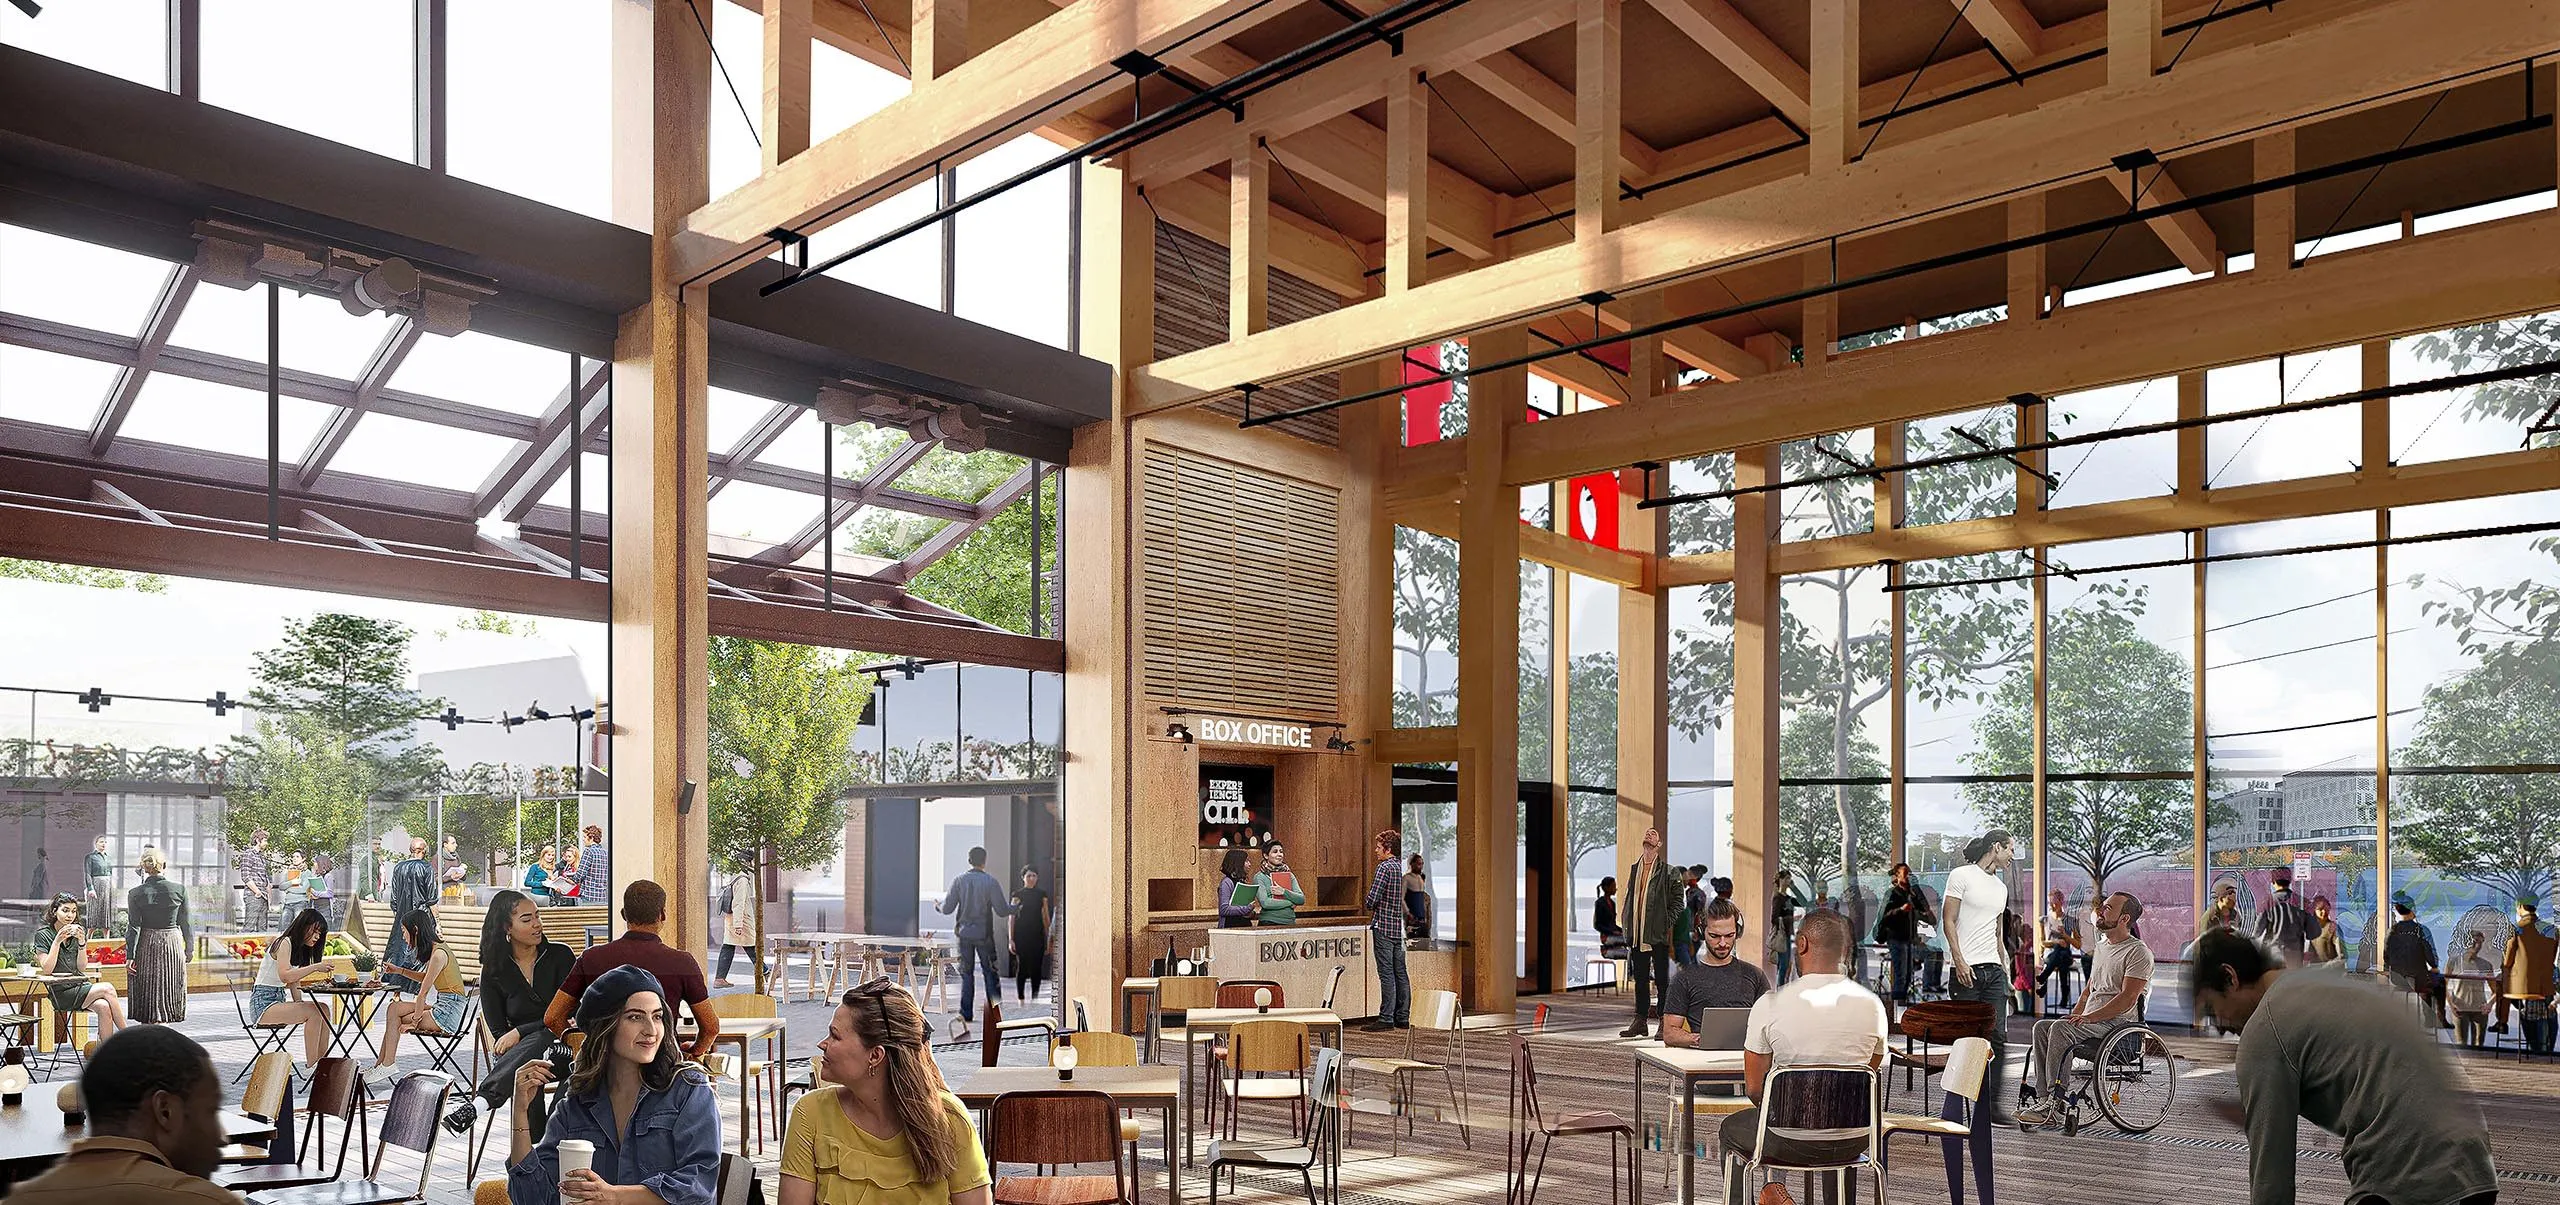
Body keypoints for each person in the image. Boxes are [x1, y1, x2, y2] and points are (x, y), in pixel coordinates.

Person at [2189, 928, 2498, 1205]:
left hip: (2405, 1170)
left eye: (2211, 1009)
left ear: (2230, 977)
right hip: (2475, 1163)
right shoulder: (2328, 979)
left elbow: (2272, 1172)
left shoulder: (2264, 1029)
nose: (2219, 1026)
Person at [508, 965, 722, 1205]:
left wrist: (613, 1196)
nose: (651, 1030)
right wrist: (519, 1112)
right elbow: (534, 1199)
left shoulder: (688, 1090)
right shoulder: (576, 1106)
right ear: (605, 1027)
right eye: (635, 1017)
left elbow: (699, 1185)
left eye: (657, 1016)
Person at [1717, 909, 1887, 1205]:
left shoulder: (1770, 1005)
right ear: (1846, 951)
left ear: (1803, 944)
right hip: (1856, 1138)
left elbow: (1755, 1089)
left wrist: (1792, 1112)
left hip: (1788, 1139)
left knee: (1730, 1130)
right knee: (1838, 1122)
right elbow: (1865, 1078)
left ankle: (1765, 1195)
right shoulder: (1873, 1007)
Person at [778, 979, 993, 1205]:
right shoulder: (810, 1113)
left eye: (835, 1036)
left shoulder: (949, 1118)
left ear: (875, 1056)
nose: (823, 1044)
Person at [5, 1026, 234, 1205]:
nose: (222, 1137)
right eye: (210, 1111)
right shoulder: (209, 1201)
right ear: (165, 1110)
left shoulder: (19, 1200)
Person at [2016, 891, 2153, 1128]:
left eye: (2108, 908)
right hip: (2093, 1023)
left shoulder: (2138, 952)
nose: (2101, 911)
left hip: (2118, 1028)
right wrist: (2077, 1013)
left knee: (2060, 1029)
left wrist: (2088, 1018)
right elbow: (2090, 989)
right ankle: (2043, 1099)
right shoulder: (2102, 947)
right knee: (2042, 1027)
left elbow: (2128, 998)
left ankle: (2055, 1101)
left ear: (2124, 919)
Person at [445, 889, 574, 1135]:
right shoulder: (494, 971)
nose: (537, 924)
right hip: (523, 1059)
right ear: (507, 927)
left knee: (541, 1043)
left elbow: (567, 1014)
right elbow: (499, 1034)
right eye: (527, 920)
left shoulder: (561, 956)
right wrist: (518, 1036)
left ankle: (480, 1103)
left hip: (566, 1052)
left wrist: (520, 1031)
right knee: (528, 1066)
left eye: (537, 916)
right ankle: (539, 1147)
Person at [547, 881, 720, 1061]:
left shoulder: (591, 958)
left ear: (623, 915)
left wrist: (580, 1047)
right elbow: (711, 1027)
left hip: (605, 1071)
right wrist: (693, 1052)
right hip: (661, 1068)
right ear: (662, 915)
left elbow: (552, 1017)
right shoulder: (682, 962)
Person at [1941, 829, 2015, 1124]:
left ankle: (1991, 1106)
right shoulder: (1961, 876)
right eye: (2010, 849)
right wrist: (1959, 961)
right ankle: (1958, 1107)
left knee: (1997, 1037)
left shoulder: (2001, 888)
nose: (2012, 855)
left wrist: (2006, 970)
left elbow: (1998, 935)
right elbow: (1948, 920)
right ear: (1996, 847)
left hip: (1993, 971)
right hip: (1966, 971)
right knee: (1967, 1041)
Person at [365, 908, 469, 1086]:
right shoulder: (437, 950)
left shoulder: (438, 955)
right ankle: (381, 1065)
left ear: (415, 930)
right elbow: (425, 977)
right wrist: (398, 970)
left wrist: (413, 1023)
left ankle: (386, 1064)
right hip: (444, 1005)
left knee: (397, 1017)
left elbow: (422, 994)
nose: (404, 936)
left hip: (448, 1013)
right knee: (393, 1008)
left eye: (404, 931)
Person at [1662, 898, 1770, 1048]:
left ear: (1737, 932)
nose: (1723, 943)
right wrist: (1699, 1039)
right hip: (1702, 1061)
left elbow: (1770, 1022)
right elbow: (1669, 1033)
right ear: (1701, 932)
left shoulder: (1754, 975)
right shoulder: (1684, 978)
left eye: (1729, 935)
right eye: (1715, 936)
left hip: (1747, 1060)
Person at [248, 907, 336, 1071]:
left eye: (320, 933)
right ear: (304, 925)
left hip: (277, 1000)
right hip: (263, 1005)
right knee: (313, 1012)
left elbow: (294, 981)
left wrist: (299, 1003)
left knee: (322, 1009)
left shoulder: (298, 947)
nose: (317, 937)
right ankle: (312, 1067)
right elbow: (286, 977)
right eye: (315, 931)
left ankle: (323, 1063)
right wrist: (316, 967)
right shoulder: (284, 942)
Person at [34, 893, 129, 1041]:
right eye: (65, 910)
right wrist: (57, 941)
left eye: (73, 911)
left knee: (104, 1007)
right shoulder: (43, 935)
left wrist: (82, 943)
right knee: (108, 988)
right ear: (54, 911)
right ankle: (130, 1038)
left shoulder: (77, 931)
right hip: (61, 992)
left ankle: (106, 1055)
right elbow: (47, 969)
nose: (70, 915)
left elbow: (81, 967)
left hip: (80, 986)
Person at [938, 846, 1012, 1029]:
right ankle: (995, 1014)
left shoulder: (959, 881)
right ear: (984, 861)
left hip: (964, 935)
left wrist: (937, 906)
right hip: (984, 935)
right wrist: (1016, 907)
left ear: (969, 860)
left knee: (967, 974)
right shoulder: (990, 882)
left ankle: (966, 1013)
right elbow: (1002, 910)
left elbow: (947, 909)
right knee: (990, 973)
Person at [1620, 827, 1677, 1038]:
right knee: (1640, 979)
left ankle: (1664, 1022)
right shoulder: (1635, 868)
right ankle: (1640, 1021)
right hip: (1637, 934)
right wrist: (1626, 922)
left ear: (1659, 844)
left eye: (1653, 834)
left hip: (1658, 936)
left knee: (1662, 980)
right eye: (1646, 833)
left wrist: (1664, 923)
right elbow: (1630, 898)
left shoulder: (1669, 872)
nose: (1648, 835)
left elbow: (1678, 903)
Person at [124, 845, 190, 1023]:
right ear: (165, 865)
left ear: (143, 867)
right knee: (170, 983)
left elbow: (134, 926)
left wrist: (130, 955)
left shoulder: (135, 893)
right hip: (172, 941)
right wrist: (189, 949)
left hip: (147, 941)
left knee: (148, 985)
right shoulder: (179, 889)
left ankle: (149, 1028)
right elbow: (186, 922)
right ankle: (166, 1025)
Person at [1364, 829, 1412, 1032]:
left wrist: (1370, 903)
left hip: (1383, 927)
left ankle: (1386, 1018)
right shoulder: (1404, 868)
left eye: (1378, 847)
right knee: (1401, 972)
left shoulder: (1385, 868)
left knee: (1386, 974)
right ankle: (1403, 1017)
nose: (1376, 850)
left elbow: (1371, 900)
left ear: (1388, 849)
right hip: (1400, 929)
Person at [2497, 895, 2557, 1053]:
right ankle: (2547, 1048)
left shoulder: (2516, 929)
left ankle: (2503, 1023)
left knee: (2504, 989)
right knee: (2548, 1012)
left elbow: (2507, 962)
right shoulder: (2552, 930)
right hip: (2546, 985)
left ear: (2520, 906)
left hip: (2522, 988)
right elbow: (2552, 956)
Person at [2382, 892, 2451, 1029]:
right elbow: (2430, 955)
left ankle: (2429, 1017)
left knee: (2426, 980)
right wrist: (2434, 965)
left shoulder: (2391, 931)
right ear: (2412, 910)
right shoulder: (2421, 930)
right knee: (2438, 982)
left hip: (2397, 980)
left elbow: (2386, 956)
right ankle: (2439, 1018)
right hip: (2418, 981)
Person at [1876, 863, 1933, 1005]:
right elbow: (1884, 917)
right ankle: (1897, 1011)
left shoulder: (1911, 893)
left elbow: (1924, 911)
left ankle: (1903, 1006)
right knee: (1901, 975)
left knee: (1908, 975)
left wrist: (1916, 895)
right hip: (1896, 938)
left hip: (1909, 939)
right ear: (1897, 876)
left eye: (1909, 874)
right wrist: (1900, 909)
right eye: (1904, 874)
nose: (1908, 877)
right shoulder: (1892, 893)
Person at [384, 837, 436, 966]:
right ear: (424, 850)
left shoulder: (398, 868)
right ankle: (415, 984)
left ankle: (397, 980)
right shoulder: (426, 868)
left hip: (402, 918)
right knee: (421, 954)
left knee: (399, 953)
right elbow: (431, 899)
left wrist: (399, 921)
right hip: (422, 917)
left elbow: (394, 900)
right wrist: (438, 923)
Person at [2252, 868, 2315, 965]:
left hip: (2272, 952)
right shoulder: (2302, 902)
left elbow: (2257, 931)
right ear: (2289, 881)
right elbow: (2312, 932)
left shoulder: (2266, 902)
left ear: (2273, 882)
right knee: (2292, 978)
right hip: (2294, 952)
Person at [1011, 866, 1054, 1001]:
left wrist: (1048, 938)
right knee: (1022, 967)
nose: (1031, 878)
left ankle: (1034, 998)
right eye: (1028, 876)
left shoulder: (1042, 895)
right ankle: (1021, 999)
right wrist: (1011, 939)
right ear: (1023, 877)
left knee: (1037, 968)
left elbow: (1046, 917)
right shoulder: (1017, 895)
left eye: (1034, 875)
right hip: (1021, 935)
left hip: (1037, 935)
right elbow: (1011, 918)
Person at [2037, 888, 2082, 1013]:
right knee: (2060, 952)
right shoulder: (2044, 920)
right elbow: (2042, 943)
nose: (2051, 905)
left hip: (2064, 956)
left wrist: (2066, 937)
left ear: (2061, 901)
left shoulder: (2071, 920)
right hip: (2051, 955)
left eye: (2054, 902)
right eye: (2049, 903)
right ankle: (2064, 996)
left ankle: (2044, 977)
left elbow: (2078, 945)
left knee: (2062, 954)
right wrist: (2057, 942)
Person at [2449, 930, 2496, 1048]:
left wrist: (2489, 1004)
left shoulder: (2486, 965)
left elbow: (2496, 990)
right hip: (2460, 1009)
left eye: (2480, 943)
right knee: (2461, 1046)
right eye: (2474, 942)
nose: (2477, 945)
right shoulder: (2454, 962)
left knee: (2479, 1045)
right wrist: (2451, 1004)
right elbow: (2443, 985)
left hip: (2479, 1010)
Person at [714, 864, 759, 988]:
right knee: (750, 944)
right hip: (740, 918)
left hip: (732, 917)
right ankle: (765, 971)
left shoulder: (734, 877)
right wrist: (738, 924)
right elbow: (739, 903)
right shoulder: (742, 880)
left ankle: (719, 978)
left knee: (729, 945)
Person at [1250, 846, 1300, 929]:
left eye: (1281, 851)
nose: (1279, 854)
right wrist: (1291, 902)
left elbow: (1301, 899)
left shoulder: (1289, 875)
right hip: (1269, 922)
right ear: (1266, 856)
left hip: (1290, 922)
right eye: (1275, 851)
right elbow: (1265, 903)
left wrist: (1284, 892)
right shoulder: (1259, 877)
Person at [235, 827, 273, 933]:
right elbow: (245, 876)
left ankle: (261, 950)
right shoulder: (248, 854)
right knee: (249, 927)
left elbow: (266, 879)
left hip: (263, 897)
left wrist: (269, 898)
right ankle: (243, 949)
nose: (267, 843)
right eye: (265, 840)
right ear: (257, 840)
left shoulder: (262, 857)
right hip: (253, 895)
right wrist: (257, 891)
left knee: (263, 929)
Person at [1769, 868, 1803, 985]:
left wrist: (1794, 888)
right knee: (1783, 966)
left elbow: (1803, 902)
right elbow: (1773, 919)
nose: (1789, 881)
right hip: (1781, 936)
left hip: (1788, 934)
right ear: (1781, 880)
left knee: (1785, 965)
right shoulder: (1777, 898)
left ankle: (1781, 991)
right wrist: (1792, 919)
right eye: (1787, 878)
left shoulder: (1789, 898)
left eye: (1790, 878)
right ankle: (1780, 992)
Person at [1214, 847, 1258, 930]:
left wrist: (1251, 913)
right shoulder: (1226, 882)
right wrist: (1246, 908)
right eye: (1246, 861)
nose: (1249, 864)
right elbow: (1224, 909)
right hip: (1230, 928)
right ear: (1238, 862)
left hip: (1244, 926)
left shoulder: (1241, 881)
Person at [1675, 865, 1707, 966]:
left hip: (1692, 931)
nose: (1687, 878)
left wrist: (1697, 930)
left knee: (1690, 961)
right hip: (1683, 932)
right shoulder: (1686, 892)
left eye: (1690, 875)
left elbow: (1700, 913)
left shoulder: (1698, 894)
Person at [573, 824, 611, 906]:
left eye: (584, 837)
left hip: (588, 895)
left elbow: (580, 874)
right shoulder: (606, 853)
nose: (583, 840)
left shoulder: (589, 851)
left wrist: (572, 880)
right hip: (602, 896)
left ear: (591, 838)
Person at [1594, 875, 1627, 959]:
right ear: (1606, 888)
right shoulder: (1600, 903)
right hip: (1607, 936)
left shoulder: (1612, 903)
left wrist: (1622, 931)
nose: (1615, 889)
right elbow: (1597, 925)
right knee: (1629, 941)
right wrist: (1612, 932)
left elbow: (1612, 924)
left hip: (1613, 934)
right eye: (1613, 886)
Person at [85, 835, 114, 928]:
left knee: (106, 910)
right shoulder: (90, 857)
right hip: (96, 885)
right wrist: (90, 889)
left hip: (107, 886)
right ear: (96, 844)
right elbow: (88, 874)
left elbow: (110, 873)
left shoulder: (108, 858)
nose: (104, 844)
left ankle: (107, 938)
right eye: (101, 842)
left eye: (105, 842)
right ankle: (89, 938)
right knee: (94, 910)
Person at [2305, 895, 2343, 965]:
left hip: (2330, 970)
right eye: (2320, 909)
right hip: (2313, 971)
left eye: (2326, 908)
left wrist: (2329, 966)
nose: (2324, 911)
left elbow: (2342, 956)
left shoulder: (2333, 928)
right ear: (2314, 910)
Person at [275, 850, 311, 917]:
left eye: (297, 856)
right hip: (288, 903)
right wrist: (292, 882)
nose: (294, 858)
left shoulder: (307, 872)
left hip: (301, 903)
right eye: (293, 856)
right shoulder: (289, 871)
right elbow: (281, 887)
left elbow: (303, 890)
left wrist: (288, 889)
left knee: (298, 926)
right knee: (283, 926)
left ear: (303, 859)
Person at [1403, 852, 1432, 935]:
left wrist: (1428, 930)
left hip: (1423, 927)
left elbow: (1429, 916)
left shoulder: (1426, 897)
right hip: (1412, 927)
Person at [310, 852, 340, 928]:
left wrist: (315, 892)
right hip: (316, 907)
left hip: (325, 908)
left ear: (321, 863)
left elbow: (329, 894)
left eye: (315, 863)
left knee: (326, 930)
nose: (314, 865)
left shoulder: (328, 876)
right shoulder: (318, 876)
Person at [440, 834, 468, 902]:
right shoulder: (437, 858)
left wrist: (462, 873)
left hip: (456, 893)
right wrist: (450, 877)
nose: (456, 845)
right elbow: (434, 878)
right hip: (443, 894)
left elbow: (463, 878)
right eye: (453, 843)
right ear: (445, 844)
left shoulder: (456, 857)